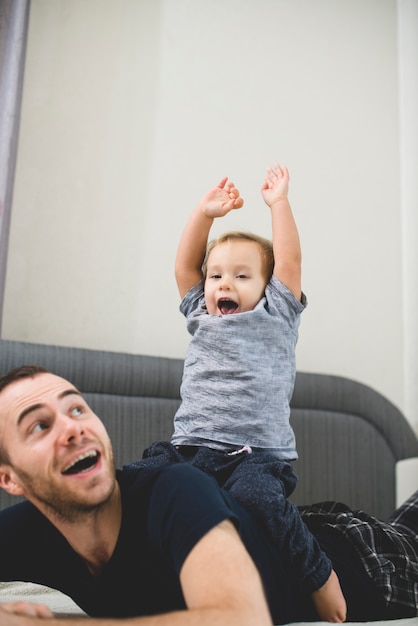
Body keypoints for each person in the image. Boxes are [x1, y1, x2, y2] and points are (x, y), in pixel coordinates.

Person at [0, 366, 417, 624]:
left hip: (369, 563)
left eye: (76, 409)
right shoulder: (35, 528)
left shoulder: (173, 488)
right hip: (308, 529)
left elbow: (241, 618)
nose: (73, 427)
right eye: (38, 426)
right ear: (10, 479)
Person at [142, 163, 345, 621]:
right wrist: (204, 213)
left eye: (240, 276)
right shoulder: (201, 313)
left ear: (269, 287)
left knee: (257, 500)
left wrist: (279, 204)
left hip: (254, 455)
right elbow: (182, 266)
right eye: (216, 276)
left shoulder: (277, 314)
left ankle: (319, 576)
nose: (223, 285)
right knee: (137, 482)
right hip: (189, 449)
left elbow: (289, 262)